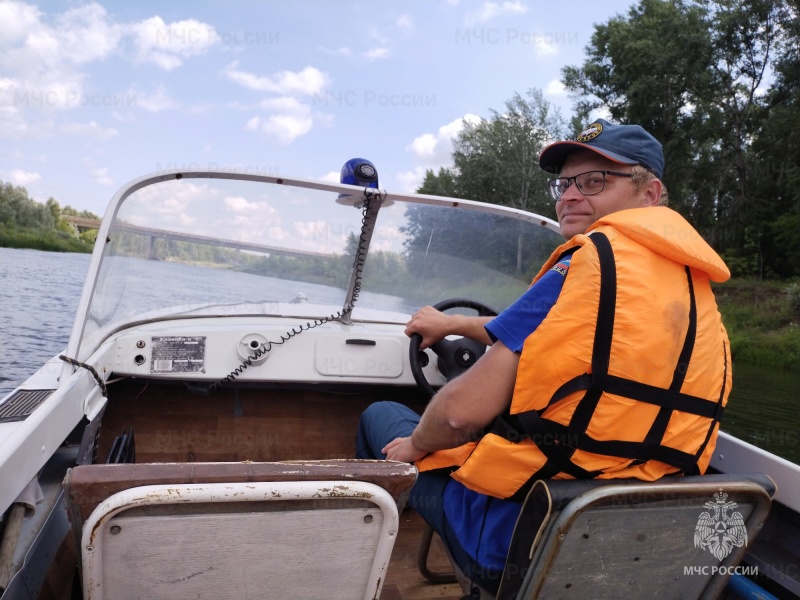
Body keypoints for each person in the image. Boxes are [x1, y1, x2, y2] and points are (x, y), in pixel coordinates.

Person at [356, 119, 732, 595]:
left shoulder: (579, 265)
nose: (570, 195)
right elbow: (522, 331)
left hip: (518, 540)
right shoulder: (695, 294)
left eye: (594, 181)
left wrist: (412, 449)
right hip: (636, 541)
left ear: (650, 193)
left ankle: (366, 570)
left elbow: (456, 417)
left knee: (381, 417)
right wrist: (452, 323)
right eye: (565, 183)